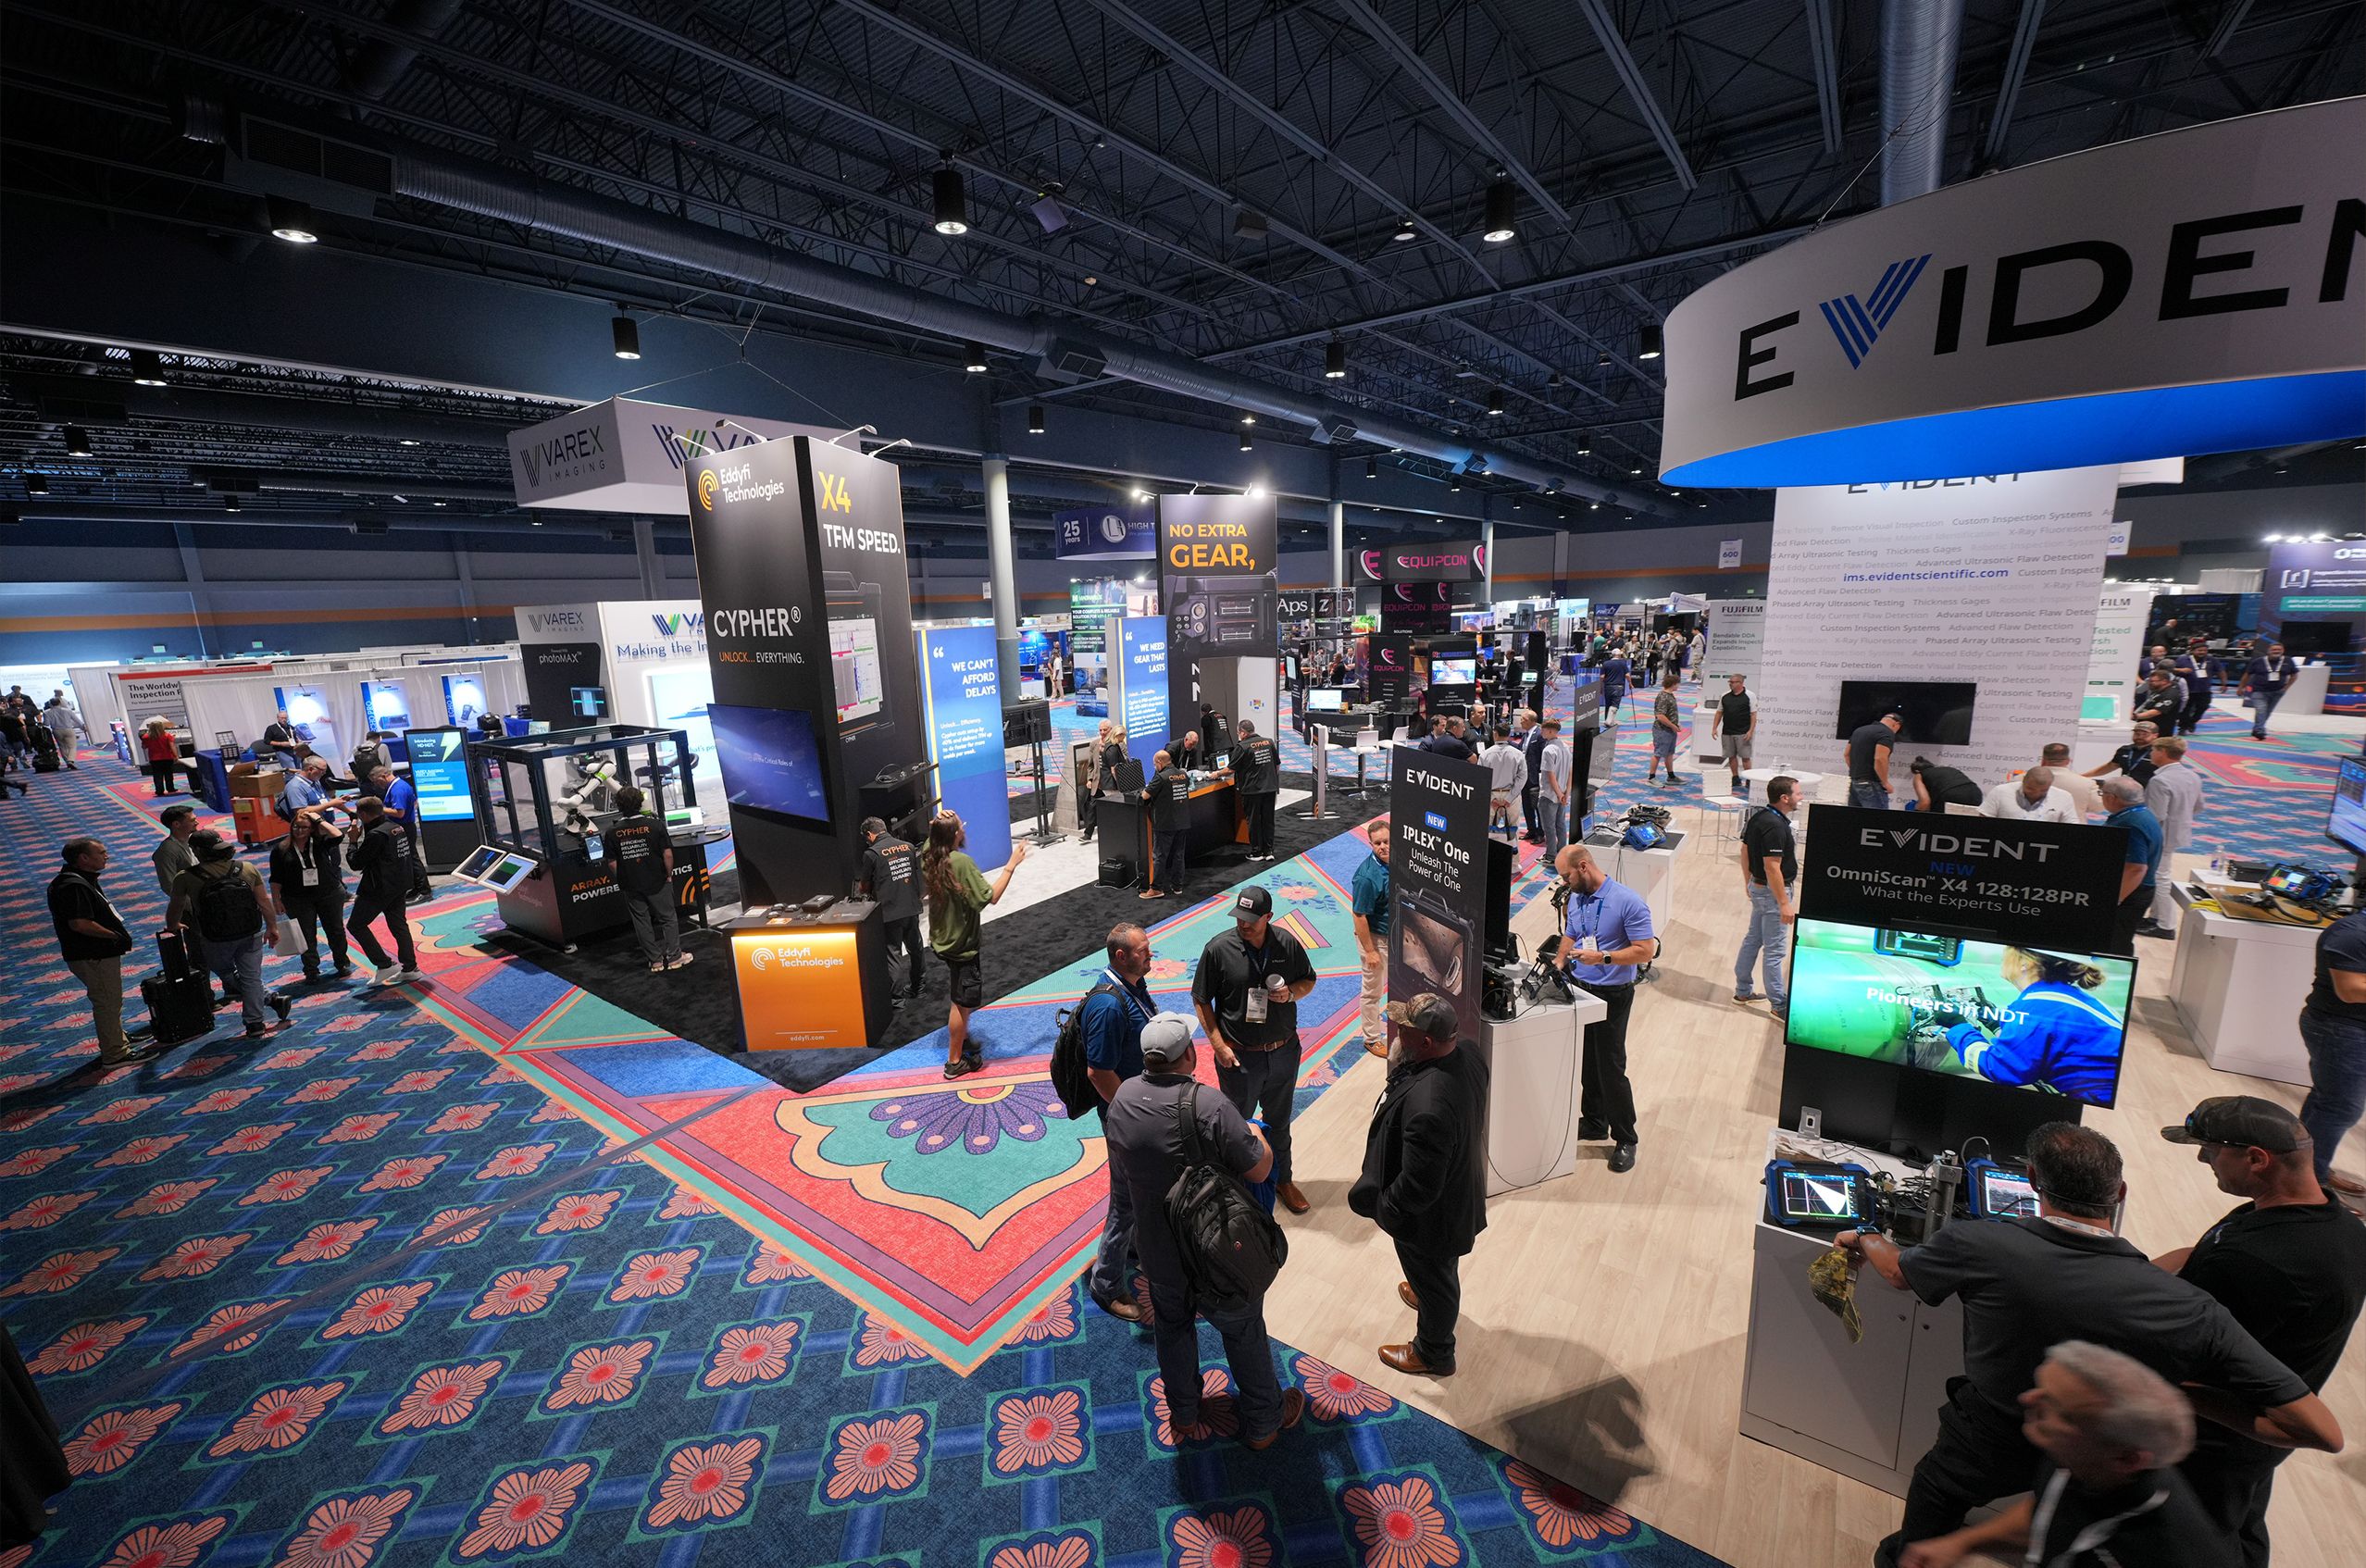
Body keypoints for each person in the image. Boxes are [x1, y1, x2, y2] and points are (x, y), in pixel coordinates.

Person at [1836, 1121, 2341, 1567]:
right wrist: (2176, 1396)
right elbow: (2322, 1431)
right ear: (2119, 1193)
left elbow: (1899, 1274)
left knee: (1937, 1492)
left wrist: (1863, 1237)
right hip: (2093, 1453)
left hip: (1984, 1433)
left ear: (2034, 1182)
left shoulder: (1980, 1244)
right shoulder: (2189, 1308)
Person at [2155, 1096, 2366, 1564]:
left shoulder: (2260, 1266)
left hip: (2211, 1443)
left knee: (2192, 1545)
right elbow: (2201, 1251)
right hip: (2253, 1448)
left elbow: (2186, 1355)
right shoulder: (2332, 1221)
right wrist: (2140, 1274)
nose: (2201, 1159)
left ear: (2256, 1158)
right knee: (2243, 1527)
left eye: (2210, 1150)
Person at [1103, 1015, 1304, 1448]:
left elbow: (1123, 1169)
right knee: (1243, 1331)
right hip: (1218, 1250)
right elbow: (1261, 1166)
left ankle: (1185, 1415)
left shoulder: (1121, 1100)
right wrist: (1258, 1136)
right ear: (1189, 1056)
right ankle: (1264, 1422)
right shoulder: (1209, 1104)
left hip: (1158, 1252)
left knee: (1172, 1330)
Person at [1896, 1341, 2234, 1568]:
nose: (2028, 1399)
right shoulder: (2081, 1456)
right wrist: (1964, 1543)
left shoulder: (2173, 1552)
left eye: (2058, 1408)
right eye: (2041, 1386)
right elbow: (2049, 1511)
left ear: (2128, 1459)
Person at [1352, 991, 1488, 1377]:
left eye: (1404, 1029)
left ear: (1426, 1043)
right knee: (1436, 1273)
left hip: (1432, 1219)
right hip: (1458, 1192)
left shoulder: (1429, 1106)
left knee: (1437, 1279)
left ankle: (1434, 1352)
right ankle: (1425, 1292)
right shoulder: (1470, 1054)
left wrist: (1386, 1210)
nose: (1396, 1033)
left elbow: (1419, 1187)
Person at [1192, 885, 1317, 1214]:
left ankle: (1283, 1180)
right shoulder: (1218, 949)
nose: (1243, 924)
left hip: (1283, 1051)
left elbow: (1308, 980)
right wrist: (1218, 1046)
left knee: (1279, 1123)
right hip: (1239, 1058)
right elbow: (1201, 999)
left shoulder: (1286, 943)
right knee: (1236, 1127)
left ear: (1268, 917)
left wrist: (1291, 994)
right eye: (1239, 917)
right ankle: (1235, 1191)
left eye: (1251, 919)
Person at [1552, 845, 1658, 1173]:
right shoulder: (1578, 898)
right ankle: (1595, 1122)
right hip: (1582, 990)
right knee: (1586, 1061)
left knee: (1611, 1067)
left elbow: (1645, 952)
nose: (1565, 883)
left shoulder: (1628, 902)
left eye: (1566, 876)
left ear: (1583, 867)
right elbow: (1572, 933)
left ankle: (1626, 1137)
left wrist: (1604, 958)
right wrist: (1558, 961)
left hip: (1614, 994)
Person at [1910, 947, 2129, 1102]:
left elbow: (2000, 1067)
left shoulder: (2036, 1006)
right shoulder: (2062, 998)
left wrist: (1957, 1026)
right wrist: (1998, 1022)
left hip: (2093, 1099)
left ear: (2026, 963)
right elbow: (2044, 1044)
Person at [1079, 924, 1158, 1321]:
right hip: (1124, 1115)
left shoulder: (1132, 985)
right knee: (1126, 1198)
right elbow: (1098, 1072)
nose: (1151, 954)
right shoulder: (1108, 1006)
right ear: (1121, 956)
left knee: (1138, 1188)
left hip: (1137, 1106)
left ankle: (1131, 1249)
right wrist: (1131, 1114)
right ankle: (1106, 1283)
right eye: (1144, 950)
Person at [921, 811, 1026, 1078]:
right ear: (956, 834)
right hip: (961, 945)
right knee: (961, 1002)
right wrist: (1011, 865)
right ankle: (954, 1062)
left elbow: (928, 842)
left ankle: (961, 1037)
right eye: (961, 827)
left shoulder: (931, 856)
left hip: (942, 939)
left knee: (960, 995)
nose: (964, 829)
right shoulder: (961, 862)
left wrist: (936, 824)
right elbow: (990, 897)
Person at [167, 828, 293, 1038]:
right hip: (250, 932)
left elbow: (176, 907)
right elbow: (263, 902)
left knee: (226, 973)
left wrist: (172, 926)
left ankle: (270, 999)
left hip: (214, 937)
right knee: (251, 977)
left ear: (197, 851)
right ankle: (255, 1023)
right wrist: (272, 927)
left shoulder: (186, 877)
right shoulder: (247, 868)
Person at [50, 838, 159, 1066]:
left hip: (92, 953)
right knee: (107, 1002)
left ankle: (116, 1038)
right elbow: (80, 923)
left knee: (110, 1000)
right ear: (84, 858)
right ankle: (115, 1053)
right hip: (93, 954)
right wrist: (113, 935)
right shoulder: (73, 886)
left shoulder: (77, 879)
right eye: (101, 852)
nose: (106, 856)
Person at [2298, 902, 2366, 1205]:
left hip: (2348, 1029)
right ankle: (2311, 1189)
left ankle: (2308, 1170)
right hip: (2340, 1029)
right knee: (2340, 1108)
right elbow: (2351, 990)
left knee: (2326, 1102)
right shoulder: (2351, 934)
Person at [604, 785, 685, 973]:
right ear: (640, 803)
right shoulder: (655, 825)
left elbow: (612, 863)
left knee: (642, 921)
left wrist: (625, 878)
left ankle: (655, 961)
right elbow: (668, 855)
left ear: (618, 805)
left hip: (631, 884)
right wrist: (669, 874)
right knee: (668, 918)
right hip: (658, 880)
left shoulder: (612, 832)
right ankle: (675, 957)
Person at [1735, 775, 1798, 1017]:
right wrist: (1784, 903)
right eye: (1797, 793)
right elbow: (1772, 866)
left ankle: (1743, 991)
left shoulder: (1758, 816)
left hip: (1758, 888)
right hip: (1772, 894)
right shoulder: (1775, 826)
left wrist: (1748, 882)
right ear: (1785, 798)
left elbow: (1745, 851)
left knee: (1753, 939)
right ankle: (1779, 1005)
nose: (1800, 797)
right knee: (1774, 950)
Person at [345, 796, 423, 987]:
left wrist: (353, 841)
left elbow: (355, 863)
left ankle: (384, 964)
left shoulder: (376, 835)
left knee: (356, 925)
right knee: (398, 925)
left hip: (379, 888)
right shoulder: (395, 827)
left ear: (363, 814)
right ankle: (410, 968)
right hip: (399, 884)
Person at [269, 804, 352, 981]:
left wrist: (317, 818)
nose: (299, 830)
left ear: (312, 828)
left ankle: (342, 963)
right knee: (306, 934)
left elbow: (338, 835)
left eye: (304, 827)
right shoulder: (281, 849)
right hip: (297, 898)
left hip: (328, 893)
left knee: (336, 930)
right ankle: (311, 969)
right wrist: (276, 900)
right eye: (296, 826)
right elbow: (276, 878)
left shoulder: (320, 842)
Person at [2139, 735, 2203, 940]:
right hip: (2179, 832)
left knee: (2160, 877)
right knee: (2162, 875)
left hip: (2161, 836)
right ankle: (2155, 918)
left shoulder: (2160, 780)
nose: (2151, 753)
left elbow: (2156, 815)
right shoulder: (2193, 776)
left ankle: (2166, 925)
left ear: (2162, 752)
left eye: (2153, 750)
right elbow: (2199, 806)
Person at [857, 815, 922, 1000]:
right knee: (915, 950)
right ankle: (919, 988)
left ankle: (897, 999)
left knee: (893, 955)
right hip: (911, 907)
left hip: (890, 911)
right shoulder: (908, 847)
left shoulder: (871, 854)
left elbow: (864, 886)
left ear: (869, 834)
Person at [2103, 775, 2164, 950]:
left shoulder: (2131, 823)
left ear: (2112, 798)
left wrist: (2115, 899)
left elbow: (2136, 868)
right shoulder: (2141, 814)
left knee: (2115, 944)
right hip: (2135, 890)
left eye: (2102, 793)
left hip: (2131, 893)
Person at [1350, 819, 1391, 1060]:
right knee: (1372, 990)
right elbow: (1359, 916)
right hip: (1375, 938)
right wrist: (1370, 951)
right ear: (1370, 844)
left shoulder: (1399, 860)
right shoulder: (1367, 877)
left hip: (1396, 934)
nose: (1383, 847)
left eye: (1387, 841)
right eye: (1378, 843)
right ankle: (1372, 1038)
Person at [1140, 747, 1190, 900]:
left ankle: (1156, 888)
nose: (1155, 767)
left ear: (1160, 762)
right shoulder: (1183, 774)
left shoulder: (1161, 777)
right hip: (1182, 821)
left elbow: (1144, 795)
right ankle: (1177, 886)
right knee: (1178, 855)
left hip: (1165, 822)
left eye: (1155, 764)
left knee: (1160, 856)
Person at [1230, 720, 1280, 861]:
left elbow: (1231, 768)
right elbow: (1277, 765)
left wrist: (1214, 774)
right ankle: (1268, 851)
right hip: (1270, 788)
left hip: (1252, 790)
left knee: (1254, 820)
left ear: (1243, 733)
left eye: (1238, 733)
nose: (1238, 735)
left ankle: (1256, 852)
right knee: (1268, 820)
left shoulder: (1242, 747)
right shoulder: (1269, 742)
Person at [1979, 765, 2080, 824]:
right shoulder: (2000, 792)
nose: (2036, 793)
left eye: (2043, 790)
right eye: (2030, 788)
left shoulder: (2064, 797)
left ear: (2050, 786)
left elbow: (2071, 826)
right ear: (2023, 780)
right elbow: (1984, 818)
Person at [2240, 641, 2298, 740]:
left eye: (2279, 649)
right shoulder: (2258, 661)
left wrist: (2286, 688)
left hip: (2277, 691)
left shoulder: (2288, 661)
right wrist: (2241, 687)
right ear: (2268, 651)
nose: (2276, 651)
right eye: (2274, 649)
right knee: (2261, 710)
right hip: (2259, 691)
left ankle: (2257, 728)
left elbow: (2294, 675)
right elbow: (2247, 674)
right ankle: (2260, 730)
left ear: (2283, 651)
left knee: (2267, 712)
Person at [1844, 709, 1902, 809]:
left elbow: (1846, 754)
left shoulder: (1859, 730)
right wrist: (1885, 782)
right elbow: (1880, 758)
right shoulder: (1887, 733)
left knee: (1854, 819)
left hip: (1854, 782)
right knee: (1876, 821)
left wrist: (1857, 771)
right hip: (1871, 783)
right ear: (1896, 724)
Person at [1709, 672, 1756, 795]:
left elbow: (1753, 715)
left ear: (1741, 683)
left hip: (1743, 732)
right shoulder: (1725, 696)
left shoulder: (1750, 696)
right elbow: (1719, 712)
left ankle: (1749, 779)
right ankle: (1735, 778)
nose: (1731, 684)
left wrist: (1750, 731)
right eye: (1729, 682)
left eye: (1733, 682)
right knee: (1731, 756)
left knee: (1745, 757)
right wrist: (1714, 728)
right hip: (1727, 731)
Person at [1536, 718, 1573, 860]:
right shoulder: (1565, 746)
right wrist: (1565, 794)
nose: (1541, 732)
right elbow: (1570, 772)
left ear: (1550, 731)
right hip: (1562, 792)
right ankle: (1562, 853)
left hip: (1549, 795)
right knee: (1561, 825)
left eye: (1543, 729)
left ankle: (1551, 855)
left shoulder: (1548, 750)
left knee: (1549, 828)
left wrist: (1558, 794)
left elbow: (1550, 775)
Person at [1477, 726, 1525, 836]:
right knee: (1512, 834)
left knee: (1487, 834)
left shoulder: (1485, 754)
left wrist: (1492, 798)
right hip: (1511, 797)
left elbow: (1481, 778)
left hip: (1491, 797)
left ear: (1495, 734)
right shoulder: (1518, 754)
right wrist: (1509, 798)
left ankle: (1490, 854)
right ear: (1509, 735)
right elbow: (1522, 777)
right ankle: (1513, 853)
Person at [2086, 719, 2161, 789]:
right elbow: (2110, 766)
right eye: (2137, 734)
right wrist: (2083, 776)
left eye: (2145, 734)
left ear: (2155, 735)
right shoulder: (2125, 749)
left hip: (2148, 791)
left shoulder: (2159, 752)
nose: (2140, 737)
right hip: (2125, 790)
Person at [2039, 742, 2102, 816]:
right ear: (2068, 761)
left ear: (2043, 761)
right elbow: (2099, 808)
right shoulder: (2087, 783)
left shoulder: (2024, 779)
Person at [2177, 640, 2224, 735]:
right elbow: (2172, 669)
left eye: (2204, 650)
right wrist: (2181, 670)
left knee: (2203, 707)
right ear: (2192, 650)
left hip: (2204, 690)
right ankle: (2183, 727)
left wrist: (2224, 683)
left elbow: (2220, 671)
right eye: (2199, 650)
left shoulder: (2211, 660)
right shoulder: (2182, 659)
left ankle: (2192, 722)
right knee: (2185, 709)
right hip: (2187, 690)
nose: (2202, 652)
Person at [1907, 754, 1981, 812]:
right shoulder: (1949, 769)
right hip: (1975, 793)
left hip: (1951, 794)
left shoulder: (1919, 775)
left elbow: (1925, 803)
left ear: (1916, 771)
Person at [1647, 672, 1684, 786]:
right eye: (1678, 684)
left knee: (1669, 753)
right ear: (1673, 684)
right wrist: (1673, 726)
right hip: (1662, 730)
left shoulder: (1670, 695)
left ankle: (1671, 776)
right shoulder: (1663, 697)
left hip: (1670, 730)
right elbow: (1660, 716)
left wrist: (1676, 725)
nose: (1679, 686)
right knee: (1658, 753)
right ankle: (1651, 777)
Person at [1077, 719, 1111, 843]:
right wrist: (1089, 779)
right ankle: (1088, 834)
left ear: (1110, 730)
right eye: (1100, 730)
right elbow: (1091, 765)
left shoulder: (1116, 744)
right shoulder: (1094, 744)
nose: (1102, 732)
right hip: (1098, 783)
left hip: (1111, 784)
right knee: (1092, 807)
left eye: (1105, 730)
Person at [2133, 666, 2188, 737]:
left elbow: (2157, 711)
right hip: (2148, 725)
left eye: (2153, 681)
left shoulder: (2171, 694)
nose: (2150, 683)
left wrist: (2136, 716)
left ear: (2164, 681)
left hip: (2160, 729)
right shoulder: (2158, 689)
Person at [1518, 707, 1547, 842]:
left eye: (1523, 719)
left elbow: (1543, 755)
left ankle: (1540, 833)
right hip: (1524, 776)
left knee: (1538, 806)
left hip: (1536, 777)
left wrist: (1541, 774)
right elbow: (1521, 750)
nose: (1520, 722)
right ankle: (1531, 830)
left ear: (1530, 721)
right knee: (1526, 805)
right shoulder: (1525, 735)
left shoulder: (1539, 734)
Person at [138, 716, 182, 796]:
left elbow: (144, 747)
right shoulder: (167, 735)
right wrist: (176, 756)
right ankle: (170, 788)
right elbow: (172, 746)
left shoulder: (146, 737)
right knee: (168, 774)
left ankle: (159, 790)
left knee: (157, 775)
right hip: (167, 757)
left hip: (154, 759)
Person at [279, 756, 332, 823]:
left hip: (325, 825)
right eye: (322, 771)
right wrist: (330, 804)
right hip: (312, 829)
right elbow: (301, 811)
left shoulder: (314, 780)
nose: (324, 774)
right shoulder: (295, 787)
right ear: (310, 769)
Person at [39, 696, 79, 767]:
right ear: (60, 703)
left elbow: (46, 724)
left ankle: (67, 762)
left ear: (50, 704)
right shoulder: (67, 710)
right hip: (68, 729)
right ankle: (70, 760)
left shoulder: (46, 712)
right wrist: (83, 727)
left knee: (62, 747)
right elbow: (76, 720)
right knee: (72, 746)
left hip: (56, 731)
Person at [1600, 646, 1631, 715]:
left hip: (1608, 686)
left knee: (1608, 704)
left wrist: (1601, 687)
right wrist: (1630, 683)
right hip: (1618, 686)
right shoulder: (1623, 663)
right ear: (1619, 655)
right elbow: (1627, 675)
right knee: (1615, 705)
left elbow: (1602, 677)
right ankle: (1610, 721)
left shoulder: (1606, 663)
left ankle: (1607, 719)